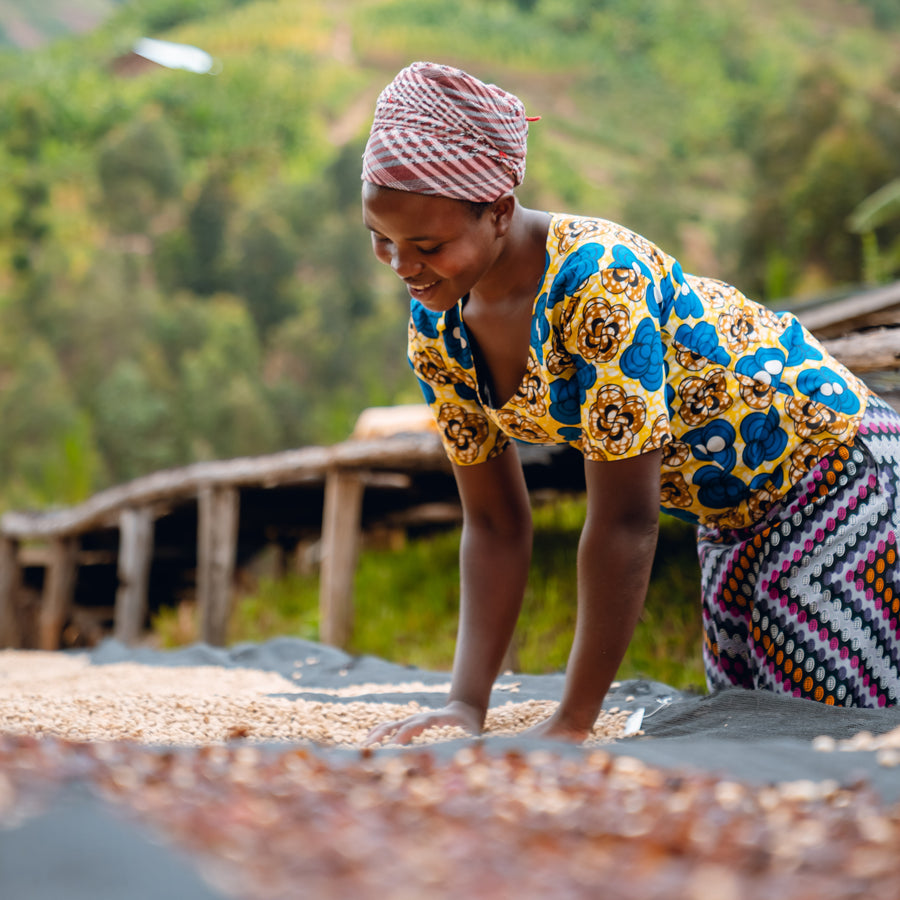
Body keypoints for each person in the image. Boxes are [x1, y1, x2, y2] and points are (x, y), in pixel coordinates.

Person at [360, 61, 900, 744]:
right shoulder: (438, 328)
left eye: (428, 246)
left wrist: (572, 724)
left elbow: (624, 521)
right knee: (744, 725)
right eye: (381, 240)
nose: (403, 266)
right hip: (730, 515)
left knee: (828, 735)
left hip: (833, 472)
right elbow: (494, 524)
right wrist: (466, 705)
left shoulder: (598, 284)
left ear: (497, 210)